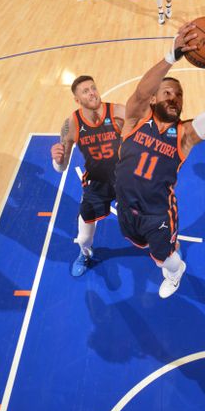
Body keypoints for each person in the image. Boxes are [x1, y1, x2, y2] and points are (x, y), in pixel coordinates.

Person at [114, 23, 205, 299]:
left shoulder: (184, 135)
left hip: (158, 215)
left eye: (178, 95)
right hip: (125, 205)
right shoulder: (134, 120)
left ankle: (175, 272)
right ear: (154, 98)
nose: (174, 97)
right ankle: (168, 257)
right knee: (136, 242)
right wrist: (171, 56)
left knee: (165, 257)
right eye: (167, 92)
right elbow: (141, 93)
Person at [50, 76, 125, 277]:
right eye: (85, 91)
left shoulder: (118, 112)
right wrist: (56, 160)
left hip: (125, 180)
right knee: (83, 238)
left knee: (151, 220)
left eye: (93, 88)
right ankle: (85, 254)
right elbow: (62, 167)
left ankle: (168, 247)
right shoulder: (71, 125)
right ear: (77, 99)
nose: (92, 93)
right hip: (97, 184)